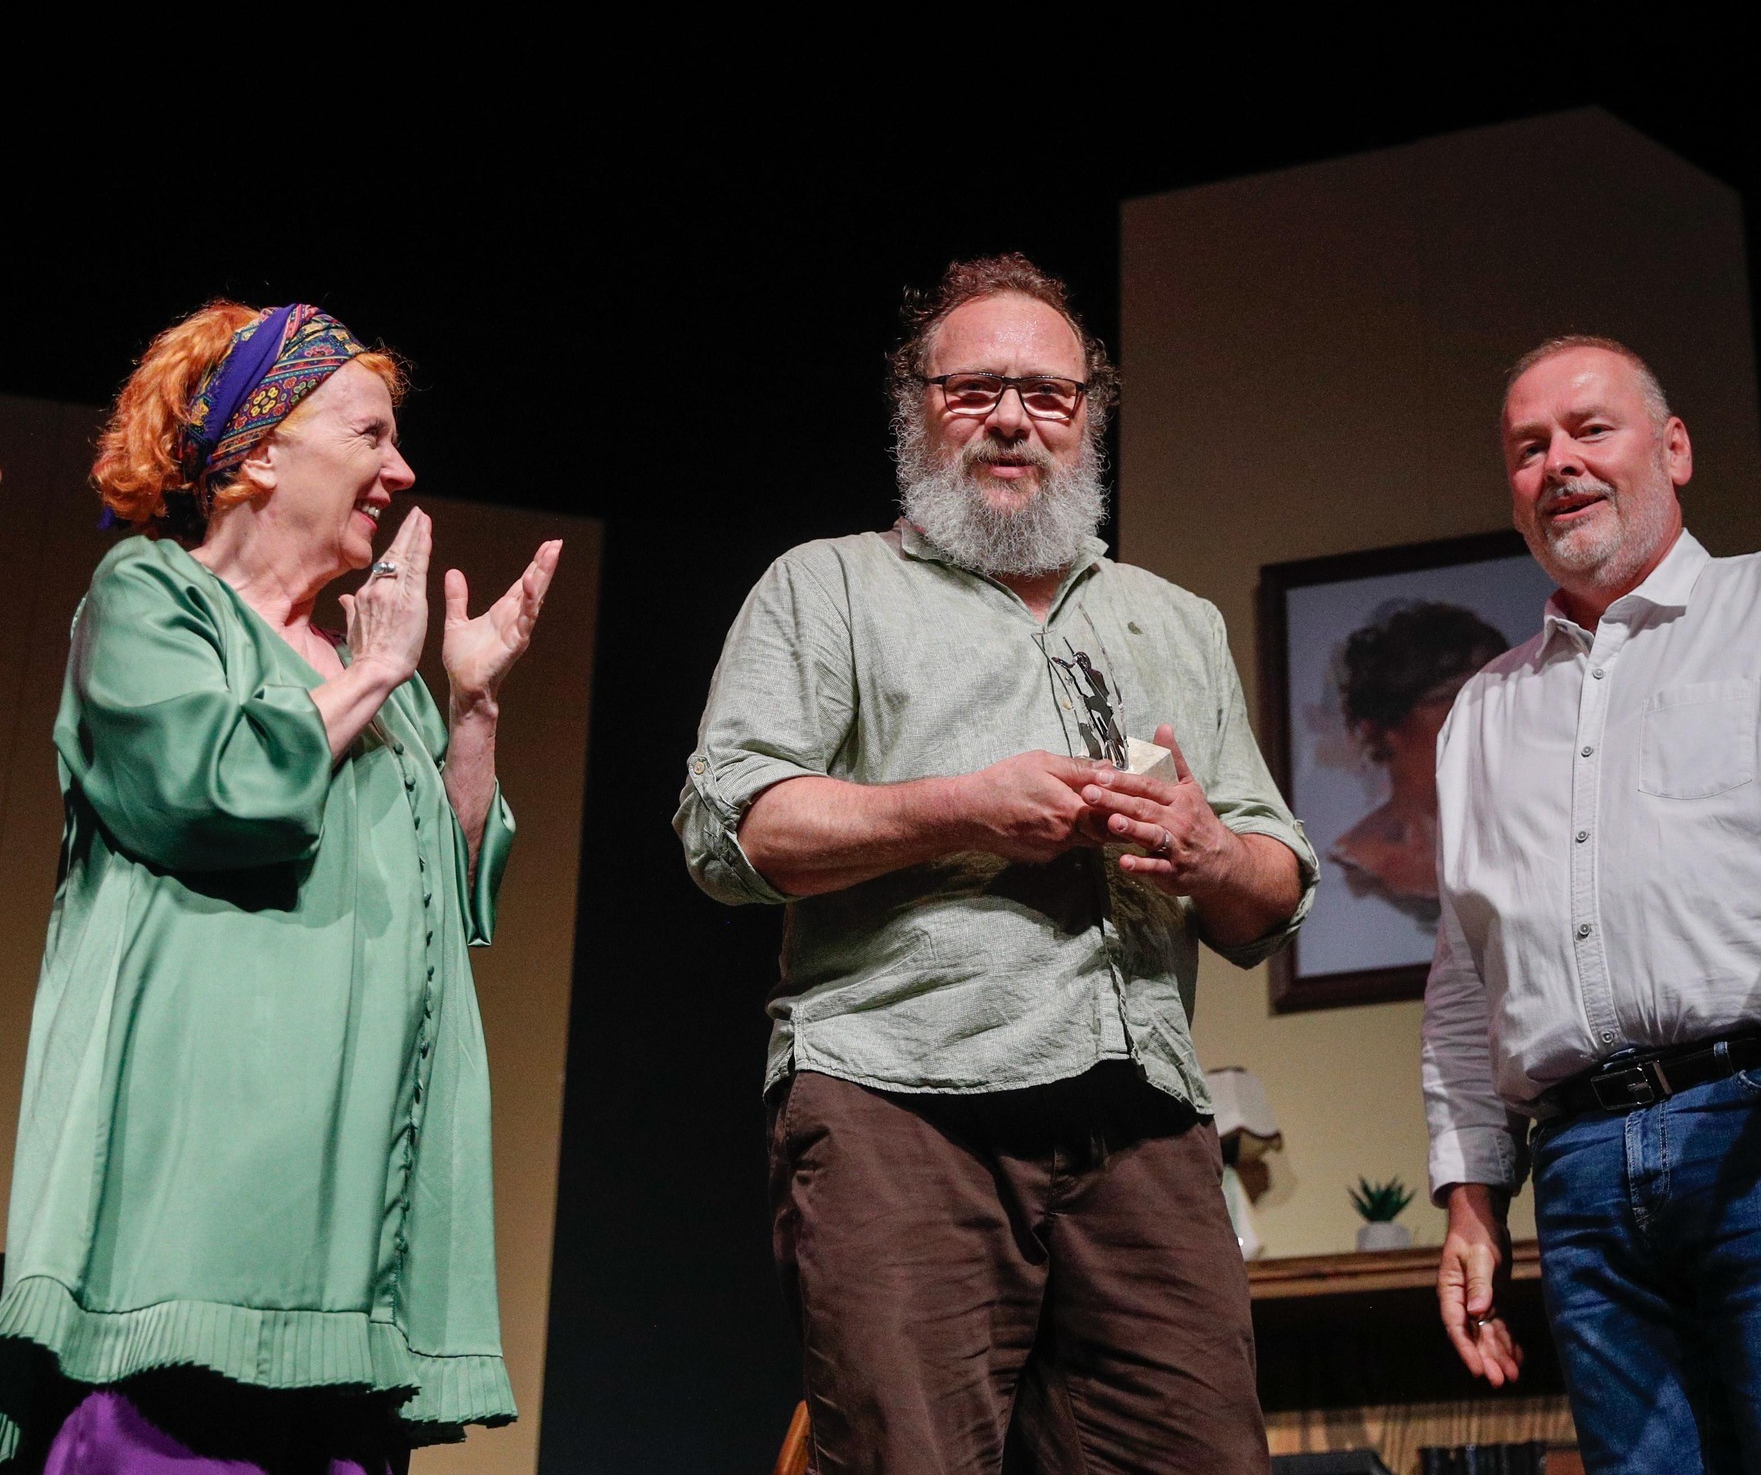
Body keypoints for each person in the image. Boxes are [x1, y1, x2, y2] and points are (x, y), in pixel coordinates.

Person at [677, 254, 1316, 1474]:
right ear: (913, 408)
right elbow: (734, 830)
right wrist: (960, 808)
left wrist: (1203, 848)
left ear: (1088, 418)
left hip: (1141, 1124)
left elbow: (1272, 895)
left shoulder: (1173, 619)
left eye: (1047, 393)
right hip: (900, 1106)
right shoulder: (828, 586)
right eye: (973, 389)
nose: (1012, 418)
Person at [0, 302, 561, 1472]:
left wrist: (469, 708)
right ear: (259, 452)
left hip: (356, 1252)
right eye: (369, 435)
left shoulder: (371, 670)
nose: (399, 471)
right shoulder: (153, 598)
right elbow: (205, 789)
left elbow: (452, 885)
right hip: (195, 1229)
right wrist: (380, 670)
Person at [1422, 336, 1761, 1473]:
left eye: (1590, 429)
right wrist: (1471, 1195)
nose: (1558, 463)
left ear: (1673, 448)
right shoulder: (1482, 709)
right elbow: (1465, 974)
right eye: (1528, 448)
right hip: (1580, 1165)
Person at [1329, 601, 1507, 917]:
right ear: (1388, 725)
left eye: (1498, 694)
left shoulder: (1534, 837)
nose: (1487, 715)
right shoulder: (1351, 867)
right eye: (1457, 698)